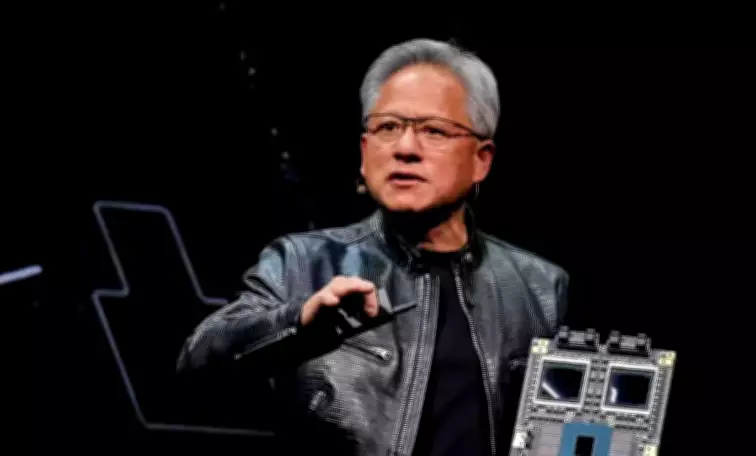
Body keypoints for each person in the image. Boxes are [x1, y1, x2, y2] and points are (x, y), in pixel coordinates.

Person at [177, 38, 569, 456]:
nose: (405, 149)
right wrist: (300, 323)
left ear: (481, 160)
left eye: (434, 131)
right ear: (365, 153)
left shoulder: (540, 288)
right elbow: (197, 363)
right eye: (388, 128)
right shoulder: (302, 262)